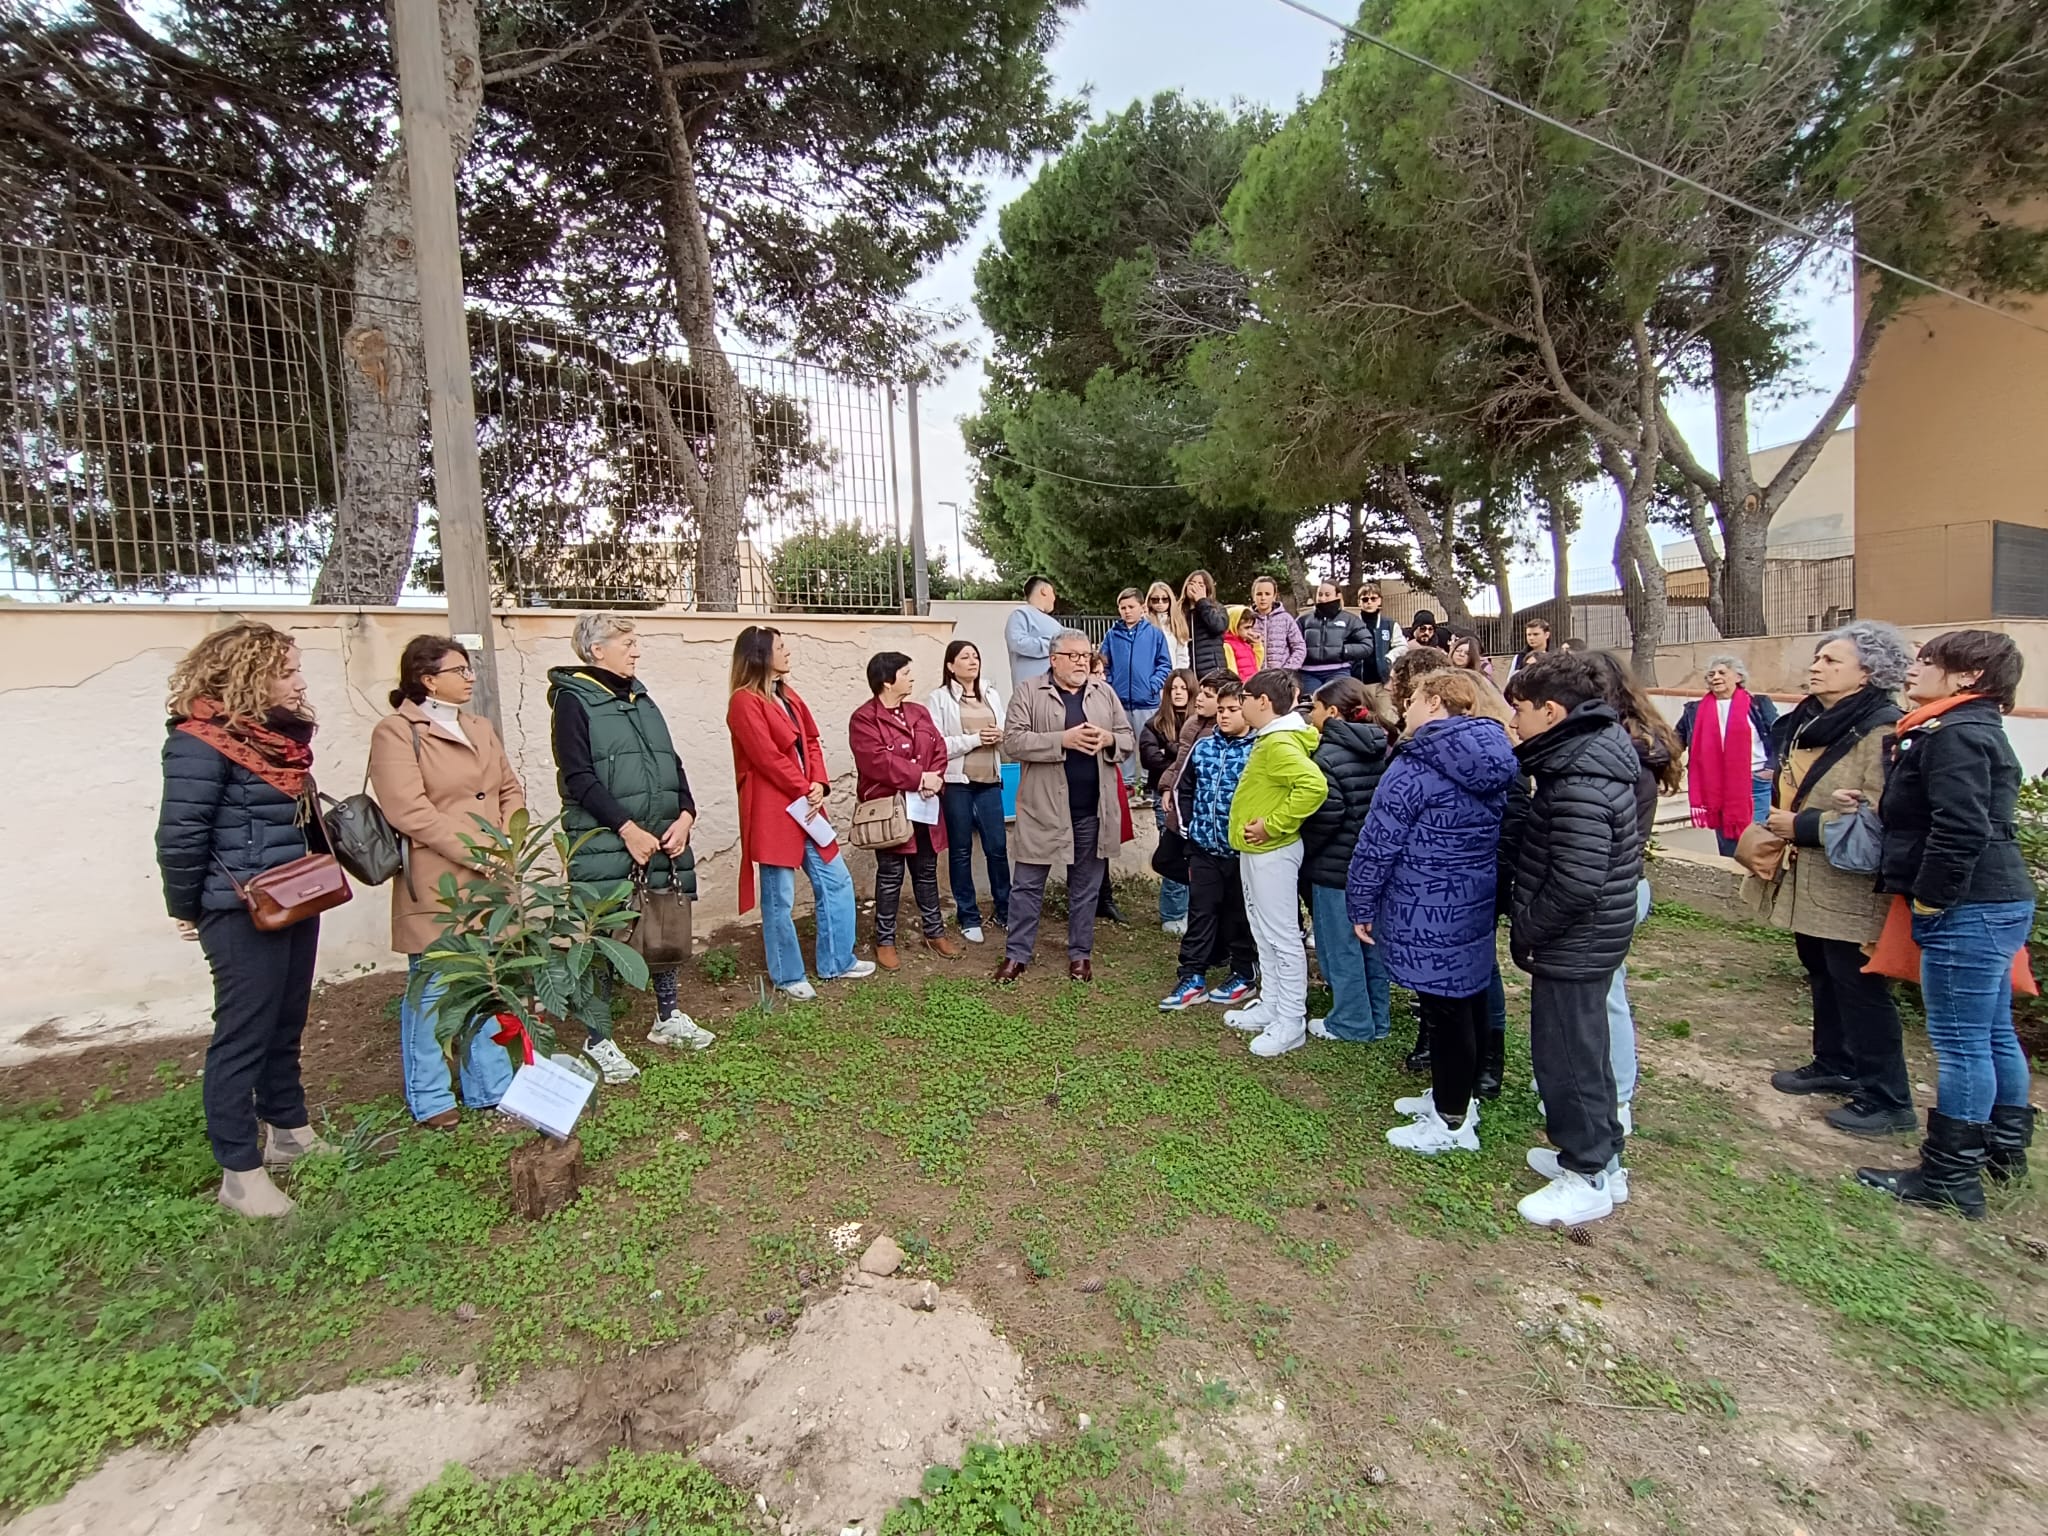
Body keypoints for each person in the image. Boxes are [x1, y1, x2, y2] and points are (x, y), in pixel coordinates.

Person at [156, 622, 334, 1218]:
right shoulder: (199, 742)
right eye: (286, 672)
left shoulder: (278, 740)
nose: (299, 682)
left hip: (293, 895)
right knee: (243, 1033)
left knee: (286, 1019)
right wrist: (188, 906)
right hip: (238, 909)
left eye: (296, 669)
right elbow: (180, 835)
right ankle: (239, 1172)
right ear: (248, 677)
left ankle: (289, 1131)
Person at [1859, 631, 2035, 1218]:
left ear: (1968, 675)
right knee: (1993, 1032)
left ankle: (1949, 1177)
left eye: (1927, 661)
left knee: (1963, 1043)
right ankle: (2001, 1151)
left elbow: (1960, 827)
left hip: (1969, 906)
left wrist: (1932, 901)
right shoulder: (1965, 727)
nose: (1913, 670)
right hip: (1994, 898)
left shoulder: (1955, 734)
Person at [1501, 655, 1647, 1228]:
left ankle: (1586, 1175)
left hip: (1574, 941)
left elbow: (1577, 882)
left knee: (1567, 1059)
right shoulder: (1582, 759)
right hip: (1584, 939)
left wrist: (1528, 928)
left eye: (1520, 709)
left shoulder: (1579, 780)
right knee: (1585, 1051)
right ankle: (1603, 1158)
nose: (1513, 721)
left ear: (1552, 712)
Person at [1348, 668, 1517, 1154]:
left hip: (1427, 906)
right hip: (1470, 899)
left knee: (1445, 1011)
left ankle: (1451, 1121)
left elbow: (1379, 841)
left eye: (1416, 699)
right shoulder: (1492, 752)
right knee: (1464, 1001)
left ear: (1437, 703)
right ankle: (1457, 1095)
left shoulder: (1417, 764)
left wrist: (1361, 901)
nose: (1406, 708)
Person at [1758, 622, 1916, 1138]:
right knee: (1822, 970)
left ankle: (1887, 1097)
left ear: (1867, 674)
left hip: (1851, 882)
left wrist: (1804, 825)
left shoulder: (1882, 729)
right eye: (1817, 657)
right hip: (1810, 876)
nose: (1816, 666)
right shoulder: (1811, 721)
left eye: (1831, 661)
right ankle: (1835, 1062)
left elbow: (1886, 810)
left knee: (1859, 984)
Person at [548, 613, 714, 1083]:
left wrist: (686, 815)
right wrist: (626, 829)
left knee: (664, 924)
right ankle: (597, 1038)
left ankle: (667, 1016)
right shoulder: (573, 700)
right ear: (596, 650)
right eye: (627, 643)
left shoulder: (641, 697)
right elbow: (578, 777)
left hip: (662, 836)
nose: (636, 650)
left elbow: (670, 762)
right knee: (604, 937)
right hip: (607, 842)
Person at [371, 636, 524, 1129]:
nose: (471, 677)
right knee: (433, 988)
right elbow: (408, 811)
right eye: (460, 670)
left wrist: (509, 839)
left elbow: (509, 789)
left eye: (469, 668)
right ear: (428, 680)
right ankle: (431, 1094)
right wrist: (478, 852)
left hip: (491, 875)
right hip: (438, 880)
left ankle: (491, 1086)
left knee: (486, 981)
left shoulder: (479, 726)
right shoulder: (397, 732)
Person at [726, 626, 874, 1000]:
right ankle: (788, 974)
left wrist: (819, 783)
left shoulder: (788, 695)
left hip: (807, 805)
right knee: (780, 896)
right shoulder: (744, 702)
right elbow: (766, 757)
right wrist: (803, 787)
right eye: (780, 647)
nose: (788, 652)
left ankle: (837, 961)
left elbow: (811, 741)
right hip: (775, 811)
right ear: (760, 655)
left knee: (836, 880)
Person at [1581, 651, 1685, 1140]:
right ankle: (1590, 1085)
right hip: (1620, 882)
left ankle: (1618, 1096)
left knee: (1606, 998)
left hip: (1611, 886)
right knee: (1593, 998)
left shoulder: (1621, 755)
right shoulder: (1630, 746)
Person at [994, 628, 1136, 983]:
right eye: (1072, 656)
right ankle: (1017, 955)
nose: (1080, 662)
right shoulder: (1029, 691)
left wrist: (1108, 739)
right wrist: (1063, 740)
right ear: (1053, 659)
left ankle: (1080, 955)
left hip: (1092, 810)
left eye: (1085, 655)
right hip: (1042, 809)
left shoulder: (1104, 692)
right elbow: (1013, 742)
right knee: (1027, 886)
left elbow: (1127, 738)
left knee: (1086, 887)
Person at [1222, 670, 1328, 1058]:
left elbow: (1313, 787)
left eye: (1244, 698)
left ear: (1263, 702)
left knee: (1282, 936)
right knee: (1262, 930)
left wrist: (1272, 824)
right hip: (1258, 851)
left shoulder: (1280, 742)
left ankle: (1291, 1020)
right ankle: (1271, 1002)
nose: (1241, 705)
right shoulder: (1271, 738)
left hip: (1273, 851)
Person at [851, 652, 961, 970]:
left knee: (926, 871)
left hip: (924, 806)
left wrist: (934, 778)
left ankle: (934, 932)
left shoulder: (918, 712)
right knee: (890, 875)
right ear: (887, 681)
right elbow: (876, 761)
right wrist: (919, 777)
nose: (911, 677)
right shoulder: (864, 719)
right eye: (905, 673)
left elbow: (938, 747)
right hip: (891, 811)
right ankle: (885, 940)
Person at [1160, 675, 1261, 1011]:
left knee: (1237, 916)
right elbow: (1183, 787)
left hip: (1241, 852)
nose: (1224, 715)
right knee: (1200, 912)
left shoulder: (1259, 750)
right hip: (1203, 848)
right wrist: (1189, 828)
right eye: (1221, 710)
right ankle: (1192, 976)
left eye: (1233, 709)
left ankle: (1244, 972)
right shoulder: (1203, 746)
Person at [1301, 677, 1393, 1043]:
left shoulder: (1326, 756)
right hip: (1373, 867)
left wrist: (1306, 849)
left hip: (1335, 868)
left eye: (1315, 708)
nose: (1311, 715)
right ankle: (1377, 1019)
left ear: (1333, 712)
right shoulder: (1381, 746)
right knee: (1370, 944)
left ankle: (1351, 1021)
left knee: (1339, 946)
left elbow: (1328, 815)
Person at [927, 640, 1009, 944]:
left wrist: (1000, 735)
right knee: (960, 851)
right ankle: (968, 916)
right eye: (965, 657)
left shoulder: (991, 694)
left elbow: (1006, 731)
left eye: (976, 656)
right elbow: (937, 745)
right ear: (951, 665)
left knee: (997, 849)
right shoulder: (938, 699)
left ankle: (1006, 910)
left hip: (990, 781)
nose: (973, 661)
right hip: (957, 784)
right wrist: (975, 739)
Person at [1676, 655, 1780, 856]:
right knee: (1728, 843)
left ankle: (1756, 874)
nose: (1715, 677)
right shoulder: (1695, 710)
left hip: (1755, 781)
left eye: (1722, 672)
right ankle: (1732, 873)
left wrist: (1770, 768)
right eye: (1711, 674)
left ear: (1738, 677)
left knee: (1756, 838)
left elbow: (1780, 737)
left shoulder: (1758, 704)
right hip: (1716, 784)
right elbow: (1675, 741)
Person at [1140, 669, 1200, 935]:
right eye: (1173, 688)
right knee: (1172, 851)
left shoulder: (1202, 722)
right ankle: (1173, 913)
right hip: (1163, 796)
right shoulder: (1155, 724)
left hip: (1195, 796)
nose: (1178, 693)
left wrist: (1172, 750)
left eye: (1183, 688)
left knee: (1195, 856)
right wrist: (1179, 761)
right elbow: (1150, 758)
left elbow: (1196, 758)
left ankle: (1194, 911)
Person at [1101, 587, 1172, 794]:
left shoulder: (1155, 634)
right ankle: (1128, 782)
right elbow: (1103, 663)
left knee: (1148, 744)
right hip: (1120, 701)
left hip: (1147, 701)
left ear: (1142, 608)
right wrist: (1111, 685)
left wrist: (1153, 685)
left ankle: (1149, 782)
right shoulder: (1112, 635)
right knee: (1124, 742)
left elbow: (1164, 664)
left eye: (1131, 607)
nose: (1127, 611)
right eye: (1122, 608)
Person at [1298, 580, 1369, 701]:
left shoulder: (1350, 620)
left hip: (1338, 672)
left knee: (1337, 705)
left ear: (1338, 596)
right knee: (1310, 707)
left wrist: (1344, 650)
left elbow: (1367, 645)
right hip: (1308, 674)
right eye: (1320, 594)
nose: (1322, 598)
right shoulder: (1303, 620)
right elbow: (1293, 643)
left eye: (1327, 595)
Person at [1006, 576, 1063, 684]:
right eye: (1053, 593)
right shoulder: (1021, 614)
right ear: (1044, 591)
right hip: (1030, 689)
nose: (1054, 599)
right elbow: (1017, 643)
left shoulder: (1055, 624)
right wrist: (1054, 645)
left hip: (1056, 687)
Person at [1247, 576, 1306, 675]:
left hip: (1280, 677)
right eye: (1259, 594)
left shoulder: (1286, 619)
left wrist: (1287, 670)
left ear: (1274, 596)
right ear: (1253, 596)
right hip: (1254, 676)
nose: (1263, 598)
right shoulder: (1247, 620)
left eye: (1267, 594)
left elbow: (1299, 647)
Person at [1180, 569, 1230, 679]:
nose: (1195, 587)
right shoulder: (1180, 611)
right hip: (1188, 672)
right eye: (1192, 583)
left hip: (1212, 669)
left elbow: (1218, 626)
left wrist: (1201, 602)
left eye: (1200, 584)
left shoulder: (1216, 608)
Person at [1352, 584, 1403, 688]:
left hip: (1383, 682)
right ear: (1359, 602)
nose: (1369, 602)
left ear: (1379, 601)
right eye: (1365, 599)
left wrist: (1389, 658)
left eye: (1373, 599)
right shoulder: (1352, 625)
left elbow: (1402, 646)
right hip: (1358, 683)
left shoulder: (1390, 625)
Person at [1147, 581, 1189, 669]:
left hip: (1172, 672)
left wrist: (1177, 674)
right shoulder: (1145, 622)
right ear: (1149, 601)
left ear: (1170, 600)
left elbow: (1182, 655)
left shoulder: (1177, 622)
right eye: (1155, 599)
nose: (1160, 602)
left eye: (1165, 599)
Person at [1223, 604, 1262, 678]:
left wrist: (1257, 644)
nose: (1250, 631)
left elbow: (1257, 665)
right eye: (1246, 628)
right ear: (1234, 625)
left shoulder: (1245, 644)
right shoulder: (1227, 646)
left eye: (1251, 627)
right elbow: (1232, 673)